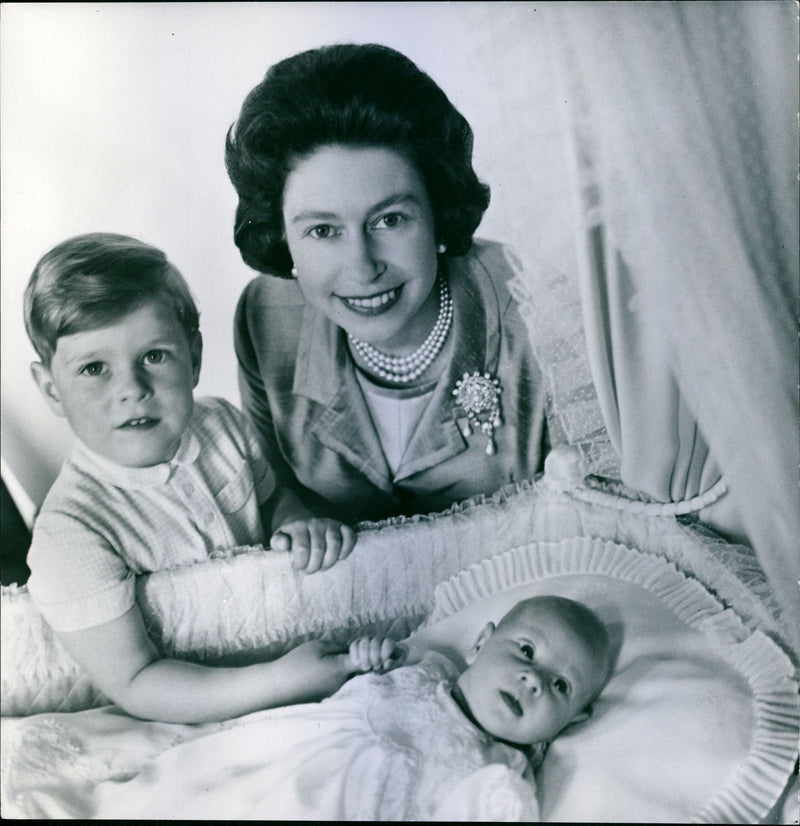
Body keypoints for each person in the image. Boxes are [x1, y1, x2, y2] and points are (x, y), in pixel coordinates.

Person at [22, 232, 367, 724]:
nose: (133, 389)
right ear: (51, 389)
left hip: (291, 660)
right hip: (187, 717)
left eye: (154, 356)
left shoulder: (223, 424)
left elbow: (272, 502)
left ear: (195, 356)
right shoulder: (72, 532)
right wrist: (280, 680)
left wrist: (297, 520)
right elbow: (136, 683)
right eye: (95, 368)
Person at [227, 43, 550, 524]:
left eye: (390, 220)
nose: (361, 267)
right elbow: (278, 503)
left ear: (438, 212)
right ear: (283, 235)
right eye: (322, 230)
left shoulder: (535, 304)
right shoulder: (265, 319)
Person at [88, 595, 612, 820]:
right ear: (480, 643)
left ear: (572, 722)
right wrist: (366, 660)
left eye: (561, 687)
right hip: (292, 767)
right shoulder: (427, 667)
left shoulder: (505, 774)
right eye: (526, 652)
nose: (533, 680)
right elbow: (344, 684)